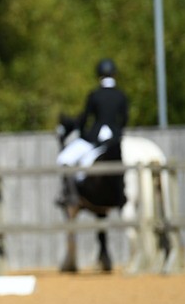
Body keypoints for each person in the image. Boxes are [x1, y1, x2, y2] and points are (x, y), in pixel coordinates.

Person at [56, 58, 130, 206]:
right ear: (114, 74)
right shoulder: (121, 96)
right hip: (115, 140)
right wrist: (117, 133)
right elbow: (124, 120)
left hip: (94, 139)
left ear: (99, 74)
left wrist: (81, 132)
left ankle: (72, 197)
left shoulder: (95, 95)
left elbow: (84, 119)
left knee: (64, 159)